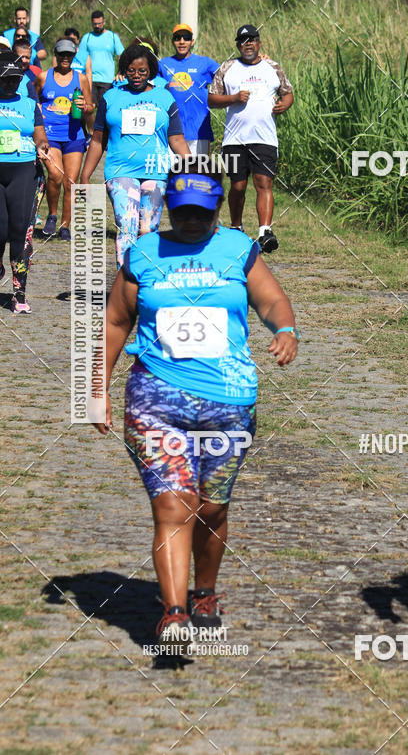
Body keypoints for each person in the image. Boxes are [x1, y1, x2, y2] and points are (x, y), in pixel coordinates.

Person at [92, 172, 299, 646]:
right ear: (168, 207)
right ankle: (175, 613)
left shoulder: (237, 249)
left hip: (228, 404)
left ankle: (203, 592)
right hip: (154, 401)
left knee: (211, 508)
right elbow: (115, 322)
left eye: (200, 214)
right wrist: (96, 388)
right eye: (181, 211)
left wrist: (286, 331)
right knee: (173, 505)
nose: (189, 221)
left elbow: (272, 301)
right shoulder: (142, 255)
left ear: (217, 209)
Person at [80, 44, 191, 268]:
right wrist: (85, 176)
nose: (137, 76)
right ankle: (125, 285)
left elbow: (176, 139)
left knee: (148, 230)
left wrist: (194, 167)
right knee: (127, 225)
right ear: (124, 70)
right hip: (121, 173)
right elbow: (98, 140)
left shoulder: (164, 98)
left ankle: (144, 283)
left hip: (157, 173)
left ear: (150, 70)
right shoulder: (111, 98)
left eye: (142, 71)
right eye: (131, 70)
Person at [207, 24, 293, 253]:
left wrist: (285, 103)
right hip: (234, 140)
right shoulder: (227, 67)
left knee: (264, 183)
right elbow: (211, 99)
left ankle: (265, 231)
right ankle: (237, 228)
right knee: (238, 185)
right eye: (244, 41)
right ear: (238, 45)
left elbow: (287, 92)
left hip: (265, 138)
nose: (248, 44)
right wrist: (233, 98)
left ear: (259, 42)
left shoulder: (272, 67)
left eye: (252, 40)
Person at [0, 51, 50, 313]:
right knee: (1, 229)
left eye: (15, 79)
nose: (10, 84)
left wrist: (42, 145)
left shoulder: (30, 104)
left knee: (21, 231)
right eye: (5, 79)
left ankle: (19, 293)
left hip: (23, 171)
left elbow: (40, 135)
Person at [36, 38, 93, 240]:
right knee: (55, 175)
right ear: (56, 55)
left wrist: (85, 106)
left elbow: (90, 107)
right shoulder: (44, 77)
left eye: (69, 55)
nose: (65, 58)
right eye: (62, 54)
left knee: (71, 182)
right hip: (50, 135)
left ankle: (65, 225)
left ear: (73, 56)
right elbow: (33, 100)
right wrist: (38, 112)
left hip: (74, 136)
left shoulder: (81, 79)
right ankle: (52, 214)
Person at [158, 24, 218, 163]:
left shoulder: (205, 62)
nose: (182, 41)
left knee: (198, 175)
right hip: (171, 132)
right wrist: (121, 72)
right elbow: (145, 79)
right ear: (173, 41)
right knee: (173, 177)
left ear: (192, 41)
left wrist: (259, 59)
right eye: (178, 38)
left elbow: (229, 75)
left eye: (186, 38)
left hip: (198, 131)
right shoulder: (163, 64)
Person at [77, 10, 124, 131]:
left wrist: (120, 72)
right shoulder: (87, 38)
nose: (97, 26)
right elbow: (80, 57)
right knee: (88, 108)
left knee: (106, 109)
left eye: (99, 23)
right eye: (95, 24)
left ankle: (104, 134)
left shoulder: (113, 37)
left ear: (104, 22)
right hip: (90, 78)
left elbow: (122, 56)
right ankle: (91, 133)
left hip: (107, 79)